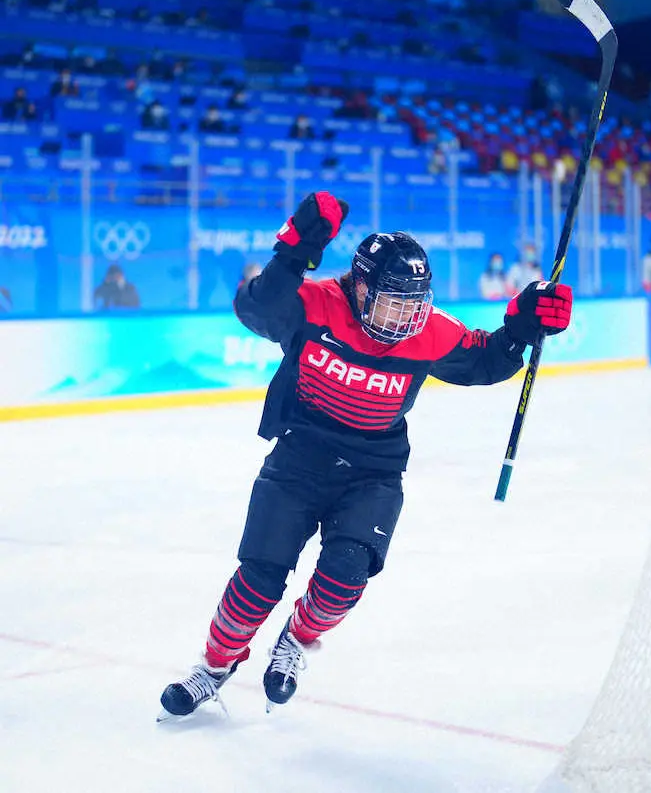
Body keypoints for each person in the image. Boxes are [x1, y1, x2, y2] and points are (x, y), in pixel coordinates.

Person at [159, 192, 573, 718]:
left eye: (412, 304)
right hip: (298, 461)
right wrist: (292, 252)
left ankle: (297, 637)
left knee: (344, 579)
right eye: (391, 301)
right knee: (258, 580)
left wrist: (523, 326)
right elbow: (257, 308)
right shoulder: (317, 306)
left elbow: (485, 361)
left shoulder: (427, 332)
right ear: (359, 287)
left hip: (373, 474)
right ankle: (215, 666)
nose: (403, 318)